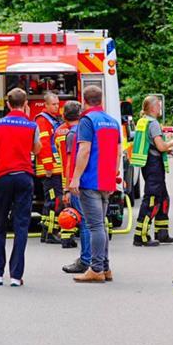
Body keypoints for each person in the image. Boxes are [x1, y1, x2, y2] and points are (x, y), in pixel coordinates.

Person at [0, 88, 42, 287]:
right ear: (25, 104)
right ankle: (16, 276)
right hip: (24, 177)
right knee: (21, 226)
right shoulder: (32, 125)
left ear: (8, 104)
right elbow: (37, 149)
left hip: (3, 177)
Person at [68, 85, 122, 283]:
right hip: (107, 180)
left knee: (95, 226)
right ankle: (105, 268)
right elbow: (118, 152)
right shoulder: (112, 122)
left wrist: (75, 177)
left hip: (90, 180)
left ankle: (96, 269)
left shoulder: (87, 121)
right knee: (102, 225)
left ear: (84, 100)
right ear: (101, 100)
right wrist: (114, 173)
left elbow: (84, 151)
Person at [131, 94, 173, 246]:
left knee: (163, 198)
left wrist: (167, 151)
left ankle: (162, 232)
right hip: (154, 166)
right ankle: (141, 236)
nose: (160, 108)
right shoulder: (153, 124)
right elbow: (160, 146)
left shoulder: (142, 121)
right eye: (158, 105)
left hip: (148, 164)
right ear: (152, 107)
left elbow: (150, 145)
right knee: (152, 200)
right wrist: (172, 143)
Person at [57, 101, 95, 273]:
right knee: (95, 223)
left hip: (77, 183)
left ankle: (85, 260)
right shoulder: (87, 129)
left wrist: (66, 188)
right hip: (92, 180)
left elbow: (70, 163)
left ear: (64, 116)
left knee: (85, 223)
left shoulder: (71, 134)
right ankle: (96, 260)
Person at [34, 91, 64, 243]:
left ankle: (47, 232)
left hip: (56, 168)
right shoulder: (43, 120)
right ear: (45, 105)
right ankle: (51, 233)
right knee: (54, 201)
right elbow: (43, 144)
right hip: (49, 169)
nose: (57, 107)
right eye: (54, 104)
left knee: (53, 200)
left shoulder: (54, 119)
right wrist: (48, 165)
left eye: (58, 104)